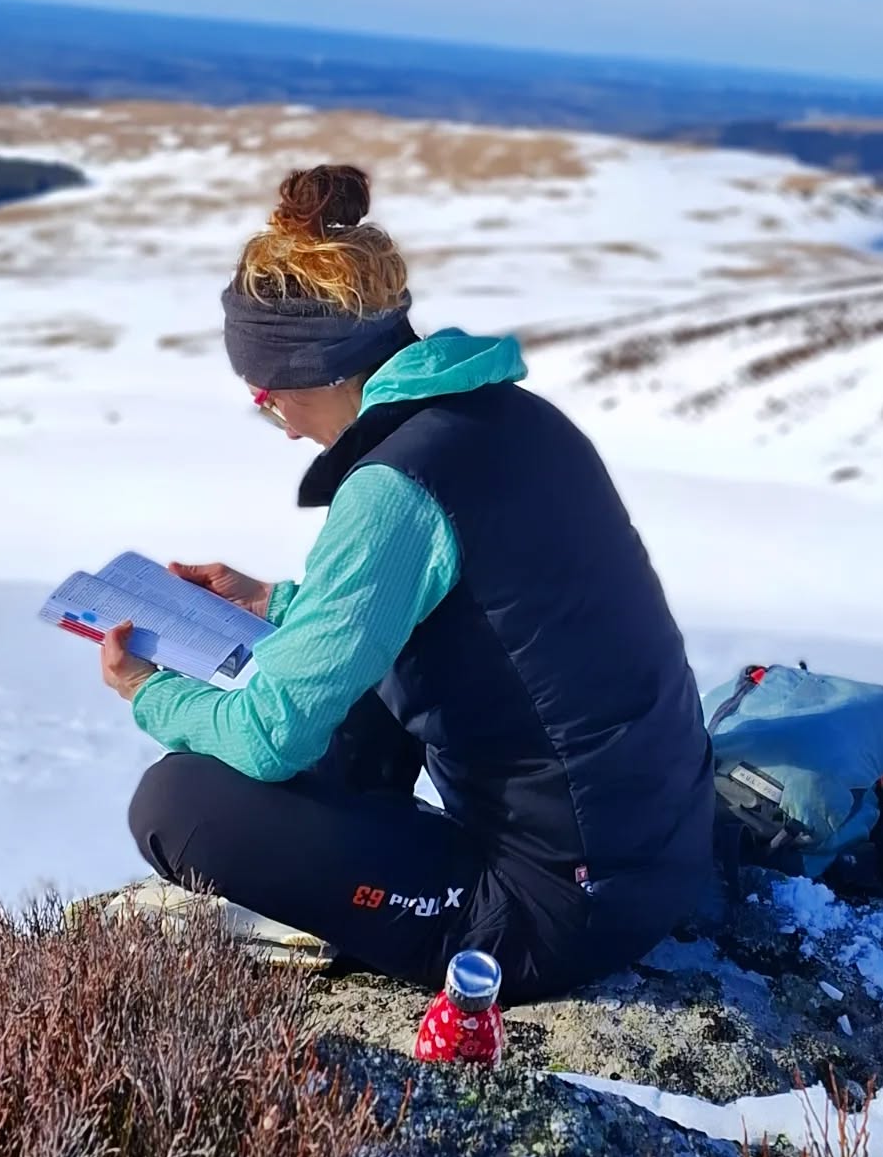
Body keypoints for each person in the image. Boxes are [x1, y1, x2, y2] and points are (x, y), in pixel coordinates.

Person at [100, 164, 713, 1004]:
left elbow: (272, 733)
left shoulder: (395, 489)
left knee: (178, 801)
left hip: (559, 911)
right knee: (339, 680)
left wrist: (148, 690)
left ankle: (370, 907)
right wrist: (275, 603)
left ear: (317, 370)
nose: (277, 425)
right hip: (661, 848)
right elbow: (492, 619)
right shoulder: (509, 420)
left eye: (264, 395)